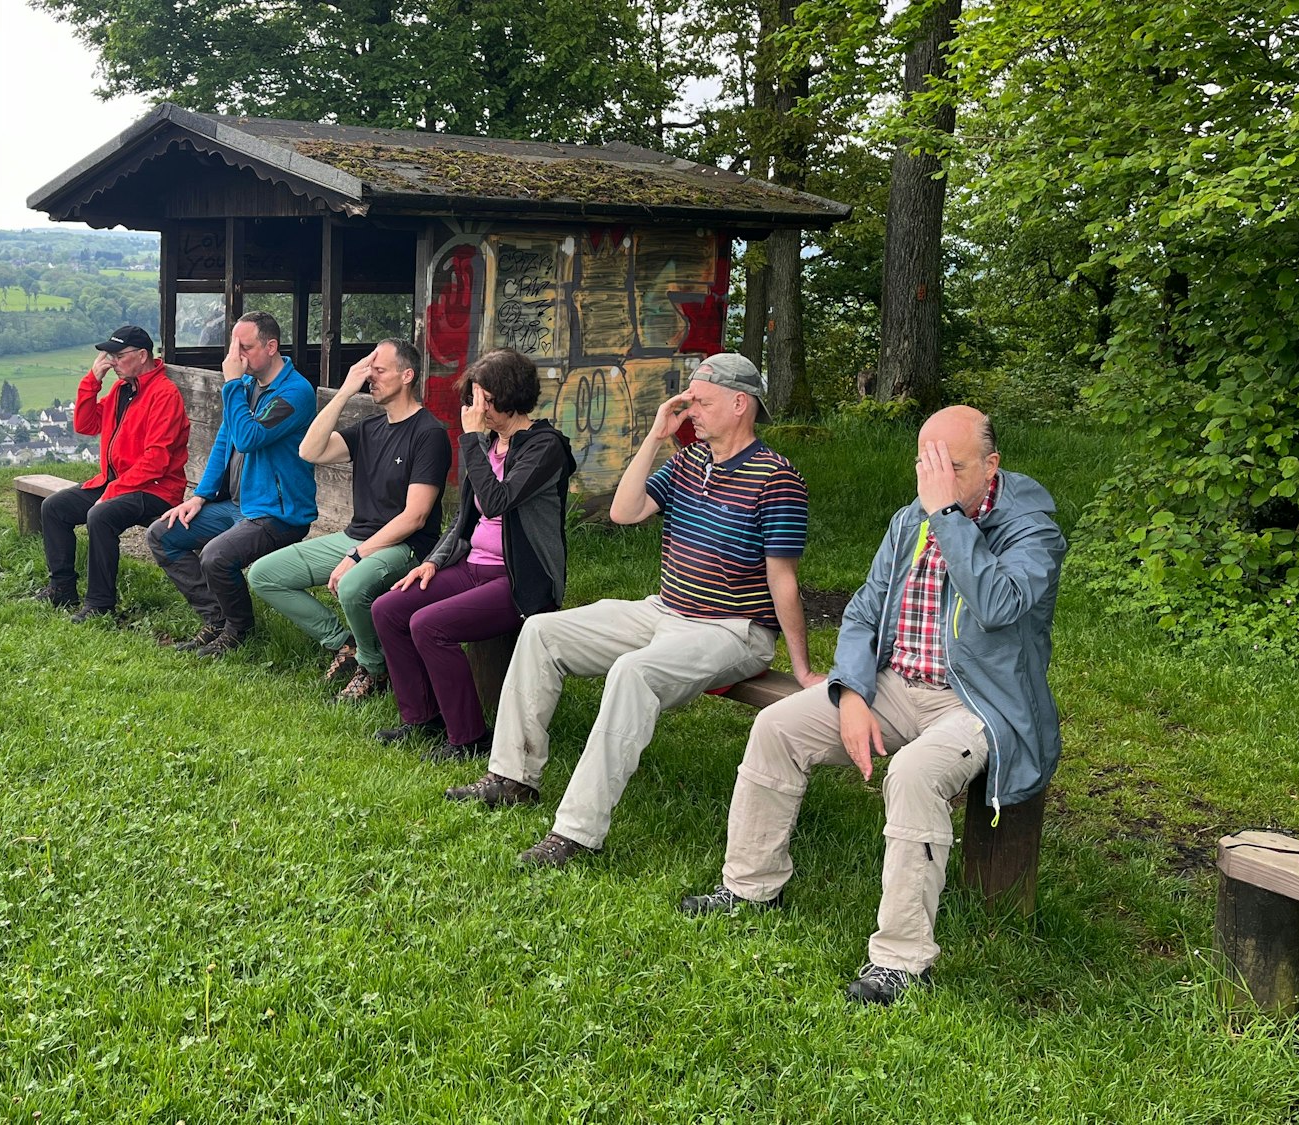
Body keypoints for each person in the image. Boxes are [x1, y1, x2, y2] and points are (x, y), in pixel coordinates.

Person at [683, 406, 1066, 1006]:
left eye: (950, 466)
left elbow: (998, 605)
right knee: (777, 726)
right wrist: (853, 691)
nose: (932, 479)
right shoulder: (908, 520)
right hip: (894, 685)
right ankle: (750, 886)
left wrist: (946, 516)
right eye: (924, 463)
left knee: (913, 774)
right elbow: (864, 611)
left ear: (992, 467)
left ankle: (901, 961)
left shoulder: (1032, 531)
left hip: (979, 705)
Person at [445, 352, 822, 867]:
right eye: (688, 403)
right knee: (542, 632)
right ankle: (513, 776)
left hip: (733, 630)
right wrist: (656, 436)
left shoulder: (777, 477)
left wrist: (800, 667)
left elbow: (784, 580)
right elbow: (625, 512)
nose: (690, 411)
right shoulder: (690, 462)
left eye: (701, 403)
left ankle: (576, 833)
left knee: (632, 673)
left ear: (741, 404)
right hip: (665, 610)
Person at [370, 348, 574, 759]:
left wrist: (470, 442)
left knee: (429, 625)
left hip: (518, 580)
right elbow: (467, 520)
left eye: (481, 397)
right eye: (472, 397)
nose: (473, 407)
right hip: (472, 567)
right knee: (388, 609)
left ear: (507, 395)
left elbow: (498, 500)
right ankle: (422, 719)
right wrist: (432, 561)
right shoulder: (487, 445)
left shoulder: (545, 446)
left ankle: (468, 738)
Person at [247, 338, 451, 703]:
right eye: (368, 371)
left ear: (407, 375)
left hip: (404, 546)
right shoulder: (369, 429)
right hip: (355, 537)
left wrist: (357, 556)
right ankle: (345, 644)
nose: (370, 378)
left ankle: (373, 668)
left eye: (380, 370)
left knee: (354, 586)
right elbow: (309, 451)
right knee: (264, 575)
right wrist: (343, 393)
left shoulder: (429, 433)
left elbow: (415, 516)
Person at [146, 312, 317, 657]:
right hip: (239, 505)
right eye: (234, 346)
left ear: (271, 347)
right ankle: (218, 619)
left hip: (278, 513)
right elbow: (226, 439)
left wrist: (230, 385)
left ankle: (239, 630)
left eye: (246, 347)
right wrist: (200, 497)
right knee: (163, 535)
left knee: (215, 557)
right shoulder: (249, 386)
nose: (237, 355)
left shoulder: (296, 392)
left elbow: (250, 436)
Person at [31, 325, 189, 623]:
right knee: (55, 507)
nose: (112, 361)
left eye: (118, 355)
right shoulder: (120, 389)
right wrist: (93, 380)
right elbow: (86, 425)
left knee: (100, 515)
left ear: (142, 355)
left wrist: (110, 493)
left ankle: (100, 604)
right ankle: (62, 587)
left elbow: (156, 461)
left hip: (156, 490)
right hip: (119, 484)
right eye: (109, 355)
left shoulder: (163, 394)